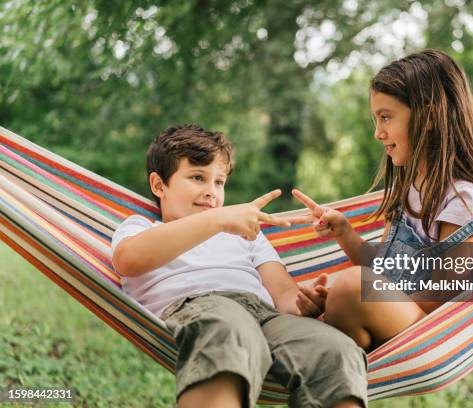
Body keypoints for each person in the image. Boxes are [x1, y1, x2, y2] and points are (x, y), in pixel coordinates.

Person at [111, 125, 367, 408]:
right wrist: (218, 220)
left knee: (335, 350)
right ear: (159, 185)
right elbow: (128, 259)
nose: (211, 192)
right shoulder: (143, 227)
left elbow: (284, 297)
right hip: (204, 308)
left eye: (219, 182)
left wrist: (305, 303)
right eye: (198, 177)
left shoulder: (248, 235)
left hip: (267, 317)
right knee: (229, 329)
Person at [289, 49, 473, 352]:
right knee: (323, 289)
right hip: (395, 313)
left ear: (429, 116)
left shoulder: (464, 200)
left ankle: (334, 332)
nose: (377, 133)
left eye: (385, 117)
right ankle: (335, 334)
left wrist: (348, 296)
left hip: (425, 327)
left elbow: (440, 297)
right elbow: (385, 270)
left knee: (349, 286)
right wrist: (344, 233)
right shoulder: (409, 189)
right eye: (376, 119)